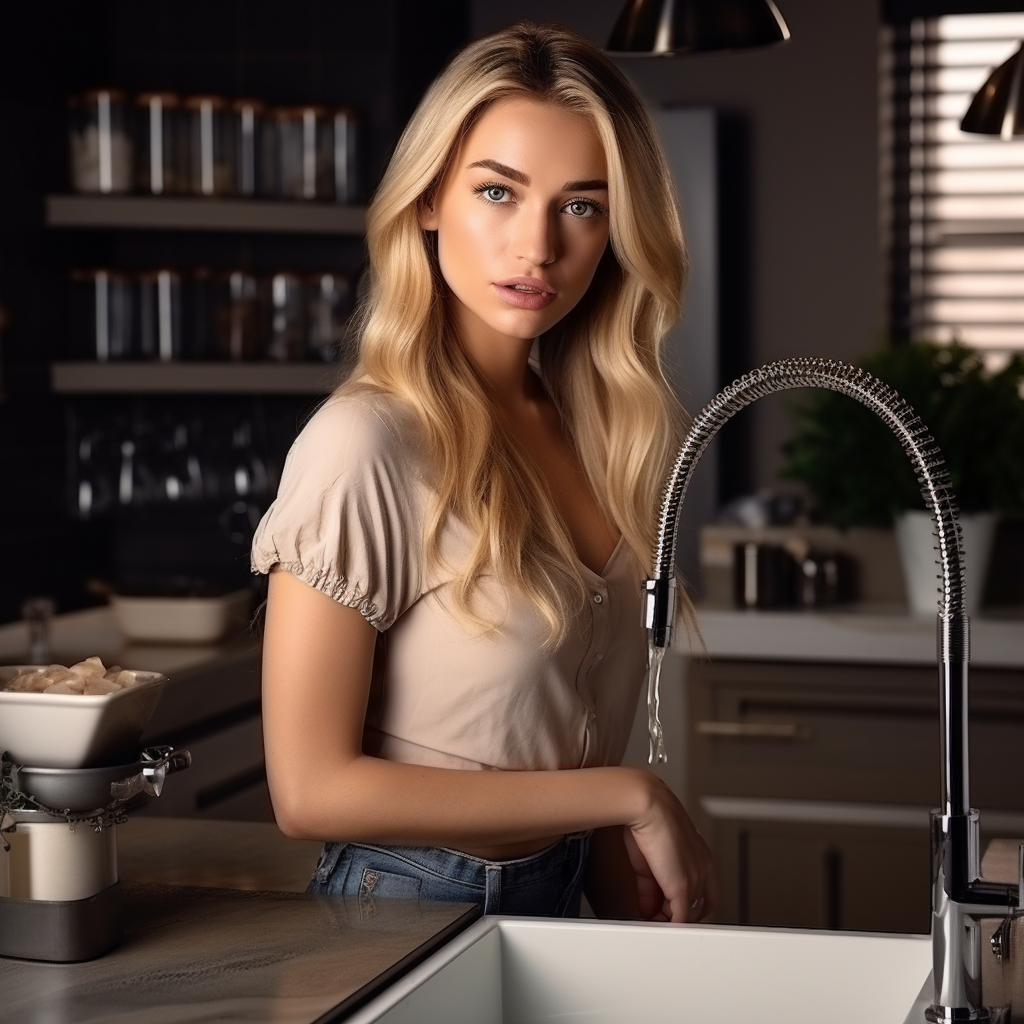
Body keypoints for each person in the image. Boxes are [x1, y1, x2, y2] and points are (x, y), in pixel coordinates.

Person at [252, 21, 718, 923]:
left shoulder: (599, 437)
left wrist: (642, 931)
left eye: (582, 205)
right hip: (402, 914)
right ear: (428, 200)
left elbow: (566, 757)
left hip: (553, 904)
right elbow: (307, 791)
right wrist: (632, 796)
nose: (537, 246)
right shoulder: (364, 442)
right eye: (498, 192)